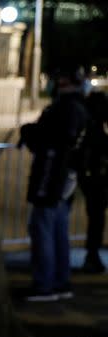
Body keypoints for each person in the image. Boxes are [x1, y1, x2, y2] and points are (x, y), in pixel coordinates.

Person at [19, 66, 90, 301]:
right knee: (57, 229)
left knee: (43, 228)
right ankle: (60, 282)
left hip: (53, 176)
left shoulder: (66, 109)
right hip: (63, 177)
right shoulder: (78, 107)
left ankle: (45, 285)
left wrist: (31, 133)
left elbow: (53, 138)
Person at [79, 89, 108, 273]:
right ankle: (92, 254)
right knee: (97, 217)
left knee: (96, 217)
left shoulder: (90, 126)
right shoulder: (97, 128)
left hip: (94, 177)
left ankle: (92, 253)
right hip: (98, 178)